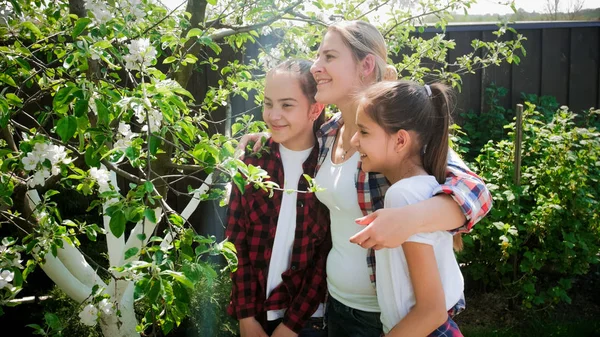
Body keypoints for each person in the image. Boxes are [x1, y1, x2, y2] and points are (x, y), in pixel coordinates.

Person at [238, 20, 492, 337]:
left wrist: (408, 219)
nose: (316, 67)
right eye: (317, 57)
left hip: (387, 317)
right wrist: (267, 134)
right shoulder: (328, 133)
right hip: (335, 307)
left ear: (365, 65)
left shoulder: (392, 131)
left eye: (328, 56)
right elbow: (293, 130)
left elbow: (475, 192)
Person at [225, 59, 331, 337]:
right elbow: (236, 240)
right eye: (268, 103)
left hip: (308, 320)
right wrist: (246, 315)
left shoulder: (328, 166)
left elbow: (325, 254)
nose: (273, 115)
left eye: (287, 105)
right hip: (256, 313)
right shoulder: (252, 160)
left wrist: (292, 324)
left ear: (315, 108)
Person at [351, 80, 464, 336]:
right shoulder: (421, 187)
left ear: (400, 140)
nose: (354, 140)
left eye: (364, 132)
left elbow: (430, 311)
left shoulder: (403, 195)